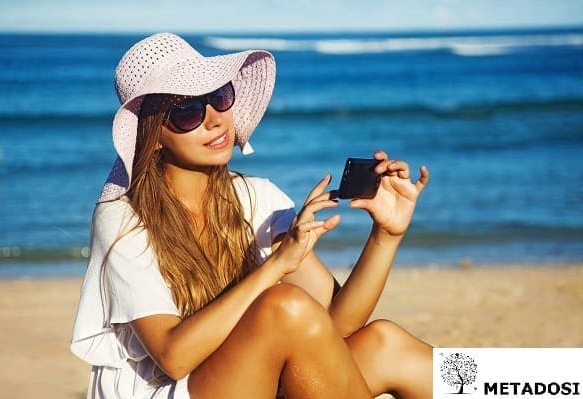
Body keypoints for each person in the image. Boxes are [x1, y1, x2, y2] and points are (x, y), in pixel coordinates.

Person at [71, 32, 432, 399]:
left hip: (250, 382)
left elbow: (338, 327)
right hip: (169, 391)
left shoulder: (256, 197)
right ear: (154, 134)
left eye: (218, 97)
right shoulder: (121, 217)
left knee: (384, 342)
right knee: (282, 306)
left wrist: (386, 235)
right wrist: (276, 266)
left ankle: (491, 384)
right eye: (187, 112)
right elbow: (173, 357)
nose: (214, 120)